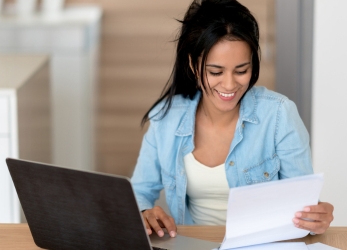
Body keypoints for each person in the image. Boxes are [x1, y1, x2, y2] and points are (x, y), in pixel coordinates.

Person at [130, 0, 334, 238]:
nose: (229, 85)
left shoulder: (279, 115)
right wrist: (144, 211)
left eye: (241, 70)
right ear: (193, 66)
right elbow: (139, 191)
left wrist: (316, 218)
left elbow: (303, 207)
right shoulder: (166, 118)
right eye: (215, 72)